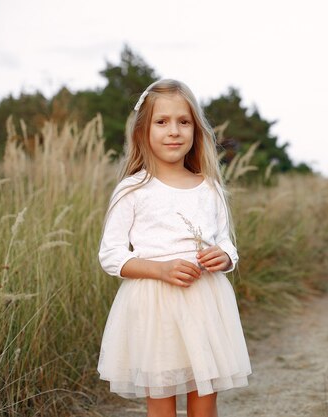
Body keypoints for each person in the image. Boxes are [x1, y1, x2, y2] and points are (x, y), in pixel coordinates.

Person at [98, 79, 251, 416]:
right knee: (162, 401)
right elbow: (112, 256)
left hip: (205, 303)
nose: (174, 131)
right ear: (142, 131)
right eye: (162, 122)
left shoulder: (209, 187)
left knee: (204, 397)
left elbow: (225, 240)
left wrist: (224, 257)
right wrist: (160, 269)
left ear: (195, 130)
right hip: (156, 307)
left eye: (184, 122)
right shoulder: (132, 190)